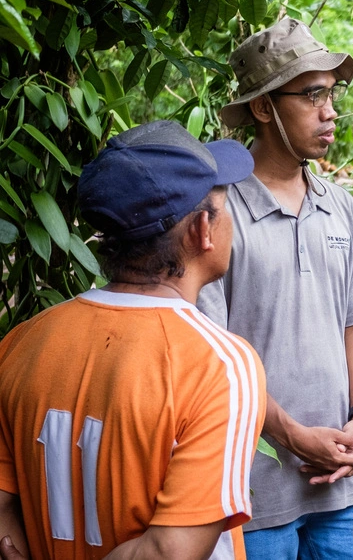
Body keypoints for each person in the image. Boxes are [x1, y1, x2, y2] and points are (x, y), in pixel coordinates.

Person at [0, 120, 265, 559]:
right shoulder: (219, 365)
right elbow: (168, 553)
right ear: (203, 230)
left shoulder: (22, 341)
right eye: (226, 206)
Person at [199, 18, 353, 560]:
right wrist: (289, 434)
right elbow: (211, 356)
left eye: (332, 94)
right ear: (263, 107)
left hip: (343, 482)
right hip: (252, 492)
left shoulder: (340, 206)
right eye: (312, 95)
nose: (330, 112)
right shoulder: (218, 211)